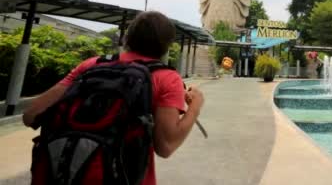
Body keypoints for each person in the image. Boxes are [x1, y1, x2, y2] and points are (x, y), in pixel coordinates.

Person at [23, 11, 204, 185]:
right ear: (167, 44)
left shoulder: (92, 65)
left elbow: (30, 115)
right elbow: (165, 146)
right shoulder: (166, 78)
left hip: (61, 175)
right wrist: (195, 106)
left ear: (128, 37)